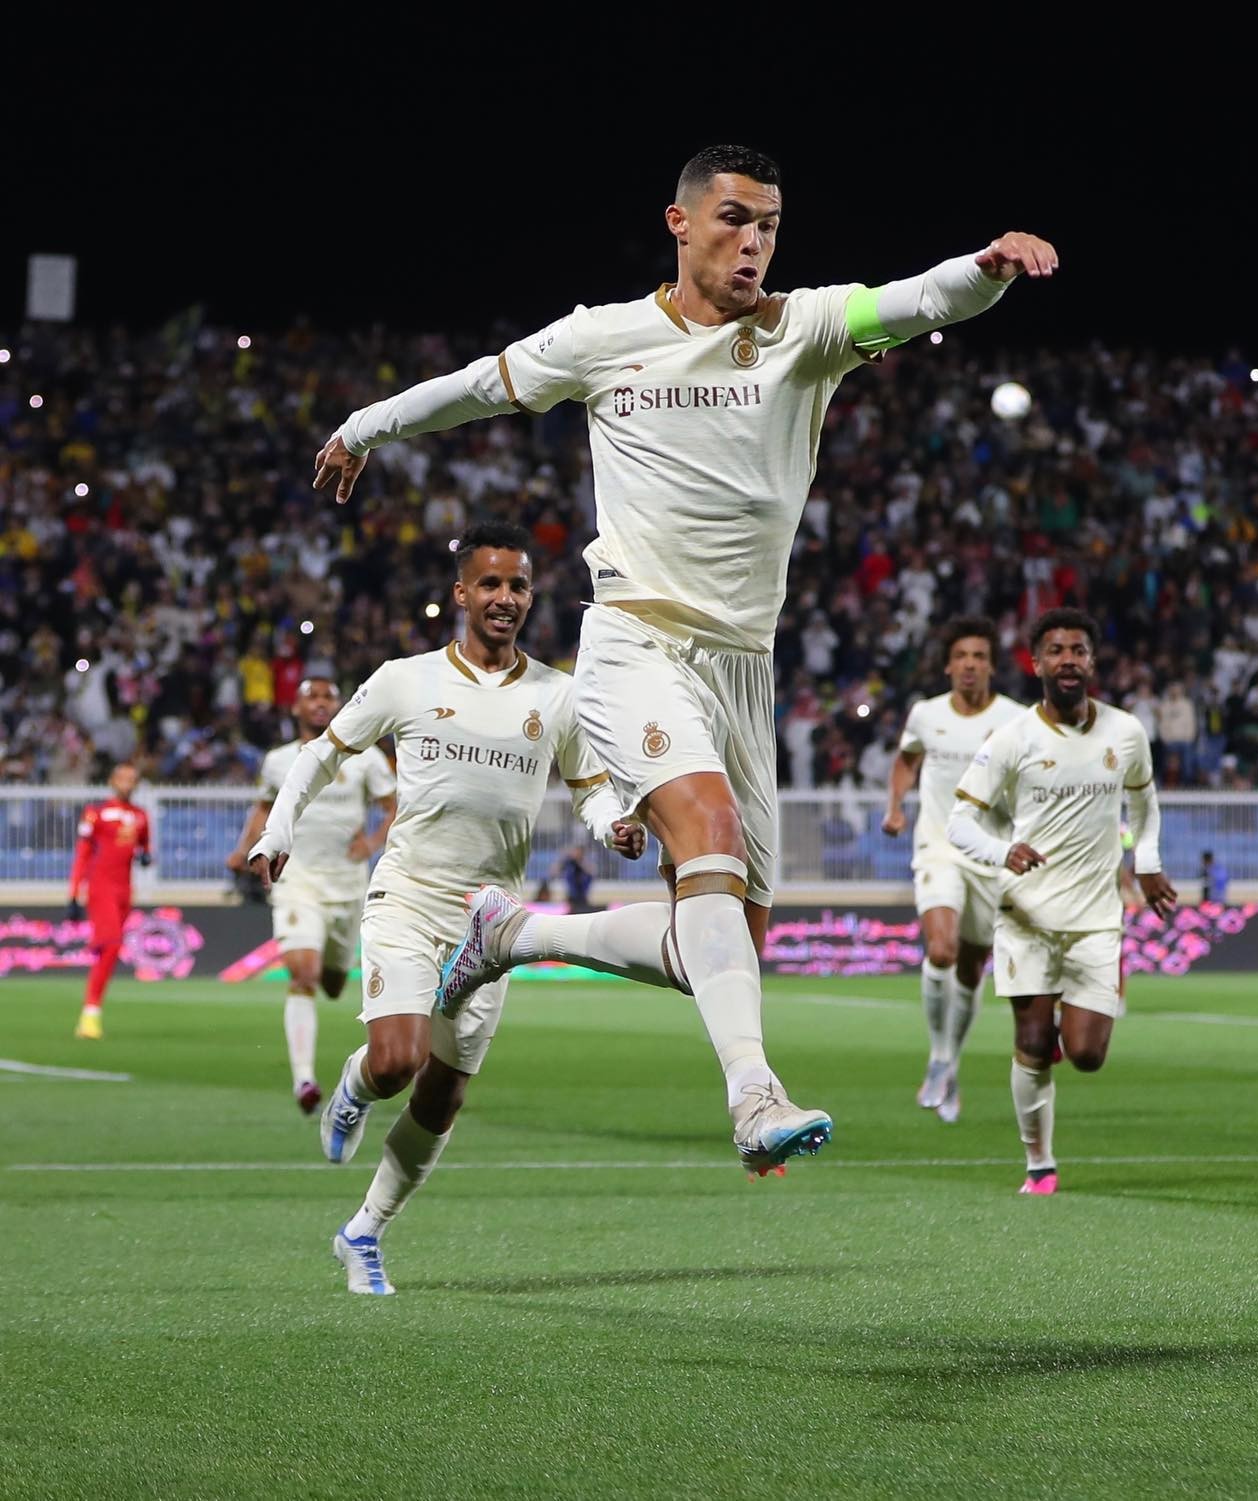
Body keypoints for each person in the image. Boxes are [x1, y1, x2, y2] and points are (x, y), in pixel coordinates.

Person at [313, 143, 1057, 1175]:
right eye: (734, 219)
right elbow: (480, 387)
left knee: (722, 944)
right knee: (702, 832)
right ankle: (753, 1093)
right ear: (679, 221)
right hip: (634, 639)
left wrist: (987, 268)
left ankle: (511, 936)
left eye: (770, 226)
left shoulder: (805, 330)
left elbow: (916, 300)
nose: (753, 242)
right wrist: (368, 424)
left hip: (742, 664)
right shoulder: (605, 338)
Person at [247, 523, 648, 1294]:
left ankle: (363, 1232)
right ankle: (356, 1086)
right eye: (490, 584)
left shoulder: (559, 695)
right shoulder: (406, 678)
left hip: (491, 920)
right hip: (408, 895)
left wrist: (614, 827)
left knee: (445, 1089)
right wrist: (278, 828)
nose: (505, 598)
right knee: (398, 1062)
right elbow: (325, 751)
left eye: (519, 586)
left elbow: (590, 790)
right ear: (460, 593)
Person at [947, 609, 1176, 1195]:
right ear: (1036, 663)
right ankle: (1039, 1164)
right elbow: (959, 823)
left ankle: (1055, 1036)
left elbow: (1145, 808)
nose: (1068, 659)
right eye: (1056, 650)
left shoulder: (1125, 733)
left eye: (1078, 649)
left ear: (1093, 662)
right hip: (1027, 915)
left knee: (1088, 1054)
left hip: (1097, 919)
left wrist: (1146, 865)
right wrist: (1004, 852)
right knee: (1030, 1042)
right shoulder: (1012, 739)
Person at [228, 678, 397, 1114]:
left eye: (328, 698)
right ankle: (304, 1078)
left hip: (347, 886)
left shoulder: (364, 758)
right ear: (296, 708)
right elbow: (266, 807)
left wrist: (373, 841)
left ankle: (331, 966)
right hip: (297, 880)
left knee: (336, 982)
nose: (321, 705)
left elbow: (395, 805)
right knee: (302, 974)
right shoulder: (280, 760)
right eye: (313, 697)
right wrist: (247, 844)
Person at [880, 619, 1023, 1122]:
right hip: (938, 846)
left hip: (991, 856)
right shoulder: (926, 714)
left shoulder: (1015, 720)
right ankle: (939, 1058)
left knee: (970, 968)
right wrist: (896, 804)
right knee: (940, 949)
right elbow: (905, 760)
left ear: (991, 665)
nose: (969, 664)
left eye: (979, 656)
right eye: (961, 655)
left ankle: (948, 1061)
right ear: (948, 664)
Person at [67, 761, 151, 1039]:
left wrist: (145, 856)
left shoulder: (140, 815)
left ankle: (91, 1008)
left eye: (133, 779)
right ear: (113, 781)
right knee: (113, 945)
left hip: (124, 890)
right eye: (123, 778)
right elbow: (82, 853)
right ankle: (91, 1013)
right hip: (100, 886)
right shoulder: (95, 812)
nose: (128, 783)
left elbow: (144, 847)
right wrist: (74, 891)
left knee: (108, 948)